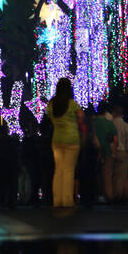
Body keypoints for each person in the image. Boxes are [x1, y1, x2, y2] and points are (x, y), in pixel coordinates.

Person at [45, 77, 85, 208]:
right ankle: (67, 200)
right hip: (72, 140)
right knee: (68, 170)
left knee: (58, 170)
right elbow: (81, 117)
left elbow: (50, 119)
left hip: (57, 140)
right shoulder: (72, 103)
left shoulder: (51, 104)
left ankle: (57, 200)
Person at [94, 102, 116, 201]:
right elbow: (115, 139)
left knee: (95, 174)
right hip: (107, 151)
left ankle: (96, 195)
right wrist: (113, 152)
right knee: (107, 176)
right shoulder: (109, 123)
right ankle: (109, 196)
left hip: (95, 152)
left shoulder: (94, 122)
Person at [111, 103, 128, 201]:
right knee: (121, 176)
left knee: (112, 174)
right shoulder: (126, 126)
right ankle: (119, 195)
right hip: (123, 151)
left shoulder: (110, 124)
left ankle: (113, 194)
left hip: (112, 150)